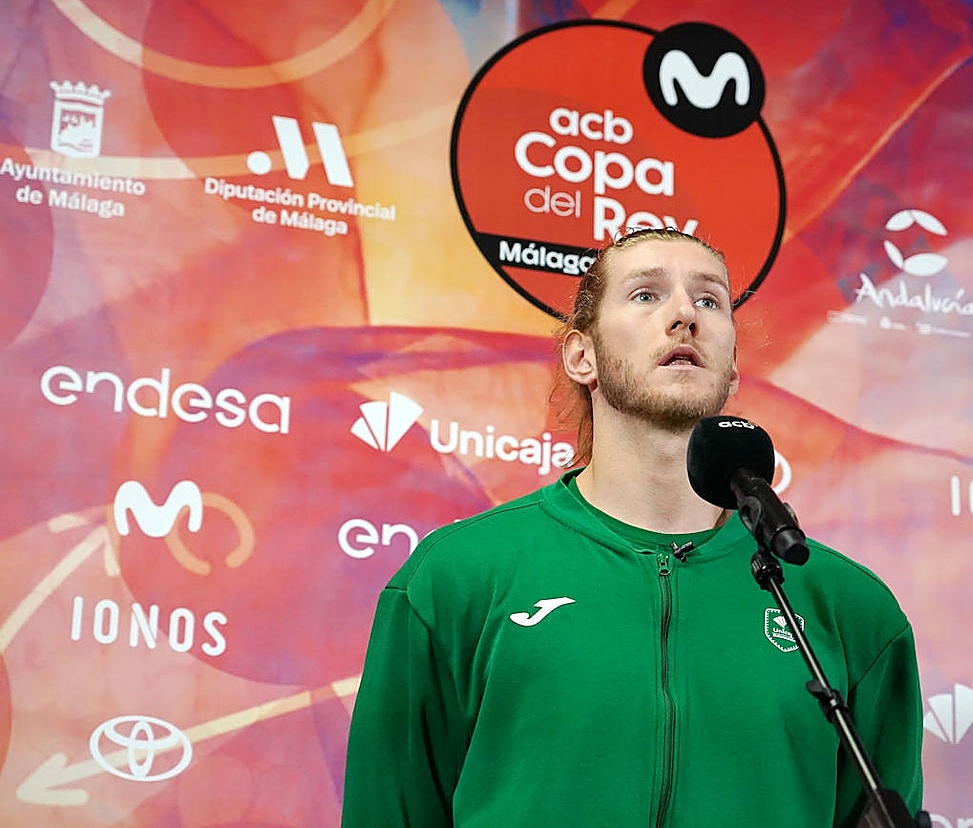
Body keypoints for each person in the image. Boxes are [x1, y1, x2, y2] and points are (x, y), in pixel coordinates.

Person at [342, 227, 923, 827]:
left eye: (709, 301)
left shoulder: (849, 609)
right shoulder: (456, 578)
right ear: (581, 355)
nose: (684, 317)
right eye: (646, 295)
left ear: (731, 367)